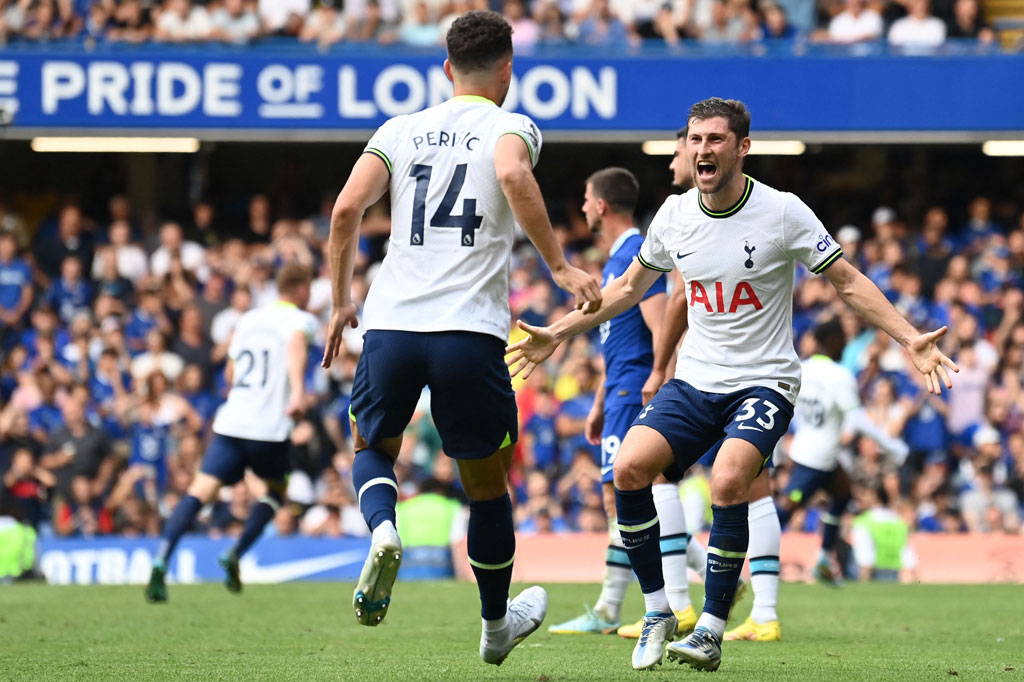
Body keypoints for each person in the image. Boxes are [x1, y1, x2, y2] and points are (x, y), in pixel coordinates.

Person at [505, 97, 957, 672]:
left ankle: (713, 628)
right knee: (629, 470)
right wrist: (560, 333)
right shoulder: (673, 215)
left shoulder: (783, 212)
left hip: (764, 382)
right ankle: (657, 611)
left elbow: (845, 280)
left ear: (742, 148)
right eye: (695, 140)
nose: (702, 150)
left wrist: (907, 336)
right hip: (696, 381)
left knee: (728, 478)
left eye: (716, 140)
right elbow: (626, 290)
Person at [320, 10, 601, 666]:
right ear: (507, 70)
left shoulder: (399, 129)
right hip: (469, 334)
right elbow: (510, 174)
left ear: (447, 68)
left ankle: (384, 530)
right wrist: (559, 266)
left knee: (372, 449)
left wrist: (339, 301)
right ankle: (496, 626)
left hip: (390, 325)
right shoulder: (511, 125)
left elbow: (343, 211)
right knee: (485, 486)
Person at [546, 168, 699, 638]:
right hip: (618, 390)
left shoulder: (636, 254)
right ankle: (700, 570)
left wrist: (662, 380)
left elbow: (661, 328)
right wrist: (598, 399)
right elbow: (617, 341)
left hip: (637, 389)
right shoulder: (616, 260)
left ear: (603, 206)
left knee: (625, 494)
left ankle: (613, 606)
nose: (585, 206)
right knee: (630, 494)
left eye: (588, 199)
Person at [145, 263, 319, 602]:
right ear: (300, 290)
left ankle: (160, 559)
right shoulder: (301, 320)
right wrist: (297, 390)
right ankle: (236, 552)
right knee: (273, 492)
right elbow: (296, 343)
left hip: (232, 421)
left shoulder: (248, 320)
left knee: (199, 493)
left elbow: (229, 373)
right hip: (269, 426)